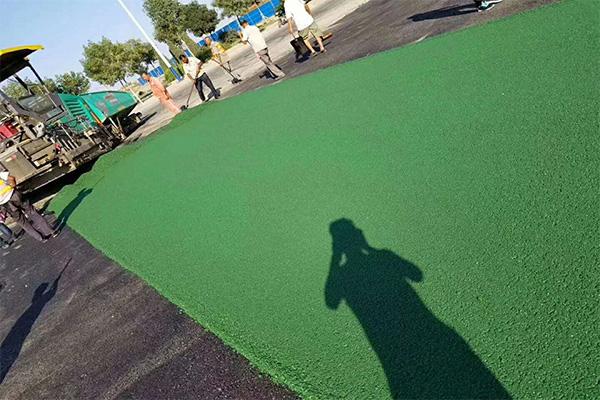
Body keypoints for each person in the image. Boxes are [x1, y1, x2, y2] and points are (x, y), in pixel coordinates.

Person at [0, 171, 55, 242]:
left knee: (23, 222)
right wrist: (13, 187)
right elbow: (11, 178)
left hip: (7, 205)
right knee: (32, 212)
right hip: (14, 195)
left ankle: (41, 238)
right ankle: (51, 231)